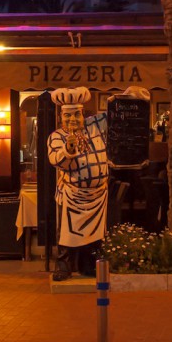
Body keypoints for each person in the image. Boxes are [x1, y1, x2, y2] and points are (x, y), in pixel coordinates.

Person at [47, 87, 112, 281]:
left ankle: (89, 266)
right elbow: (56, 160)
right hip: (72, 193)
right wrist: (68, 148)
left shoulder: (96, 127)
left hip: (98, 195)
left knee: (95, 236)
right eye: (68, 116)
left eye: (76, 114)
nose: (72, 119)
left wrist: (130, 97)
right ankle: (64, 267)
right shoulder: (56, 137)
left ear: (83, 114)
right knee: (67, 235)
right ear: (61, 117)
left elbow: (116, 114)